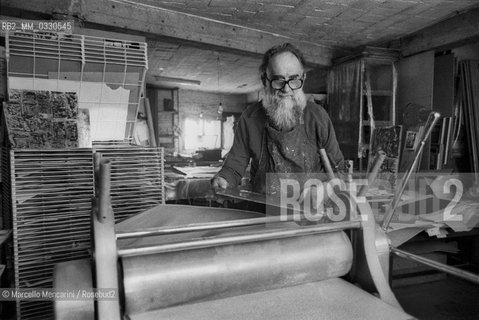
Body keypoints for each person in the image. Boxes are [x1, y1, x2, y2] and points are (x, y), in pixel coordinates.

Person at [212, 43, 344, 196]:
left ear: (303, 78)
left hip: (310, 212)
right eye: (278, 80)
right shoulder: (250, 118)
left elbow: (339, 170)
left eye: (294, 80)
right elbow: (234, 167)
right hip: (263, 211)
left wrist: (324, 189)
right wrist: (223, 179)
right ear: (265, 81)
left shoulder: (318, 117)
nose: (286, 89)